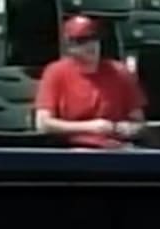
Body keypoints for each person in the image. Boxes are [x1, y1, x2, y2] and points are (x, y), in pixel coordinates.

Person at [35, 15, 148, 149]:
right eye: (82, 41)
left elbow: (139, 122)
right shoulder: (55, 72)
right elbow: (43, 123)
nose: (91, 45)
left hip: (116, 147)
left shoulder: (120, 72)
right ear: (70, 46)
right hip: (71, 147)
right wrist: (90, 127)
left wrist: (126, 128)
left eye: (94, 38)